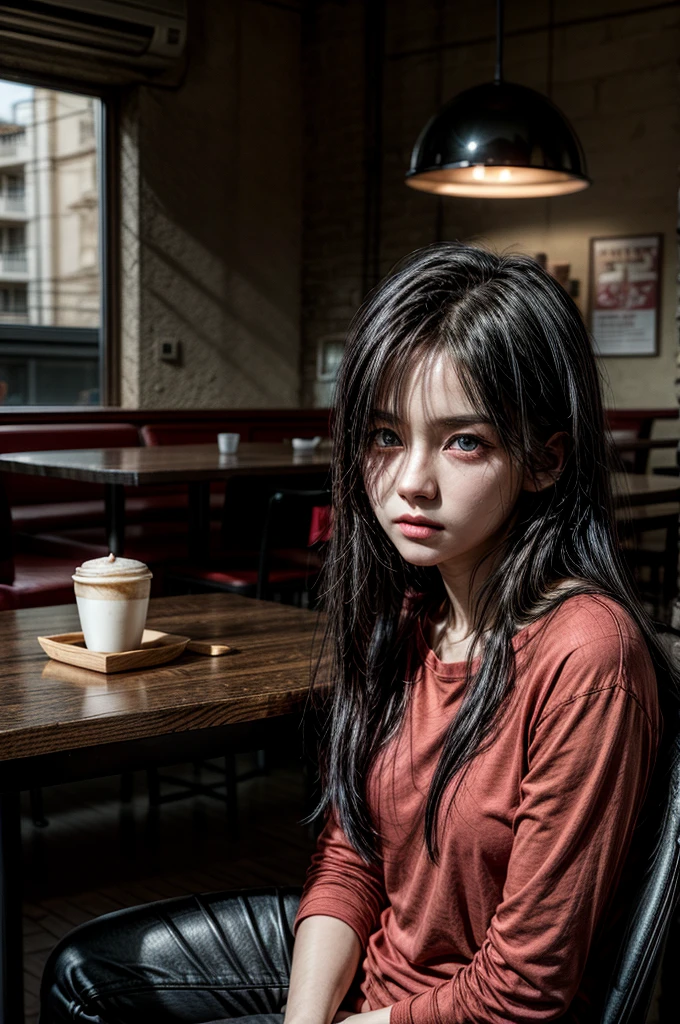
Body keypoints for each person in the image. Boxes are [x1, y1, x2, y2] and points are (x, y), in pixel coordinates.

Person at [40, 244, 678, 1024]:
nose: (411, 480)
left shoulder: (588, 654)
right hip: (383, 974)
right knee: (85, 975)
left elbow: (524, 991)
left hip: (477, 1015)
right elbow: (353, 857)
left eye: (463, 440)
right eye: (384, 436)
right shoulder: (414, 613)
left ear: (545, 459)